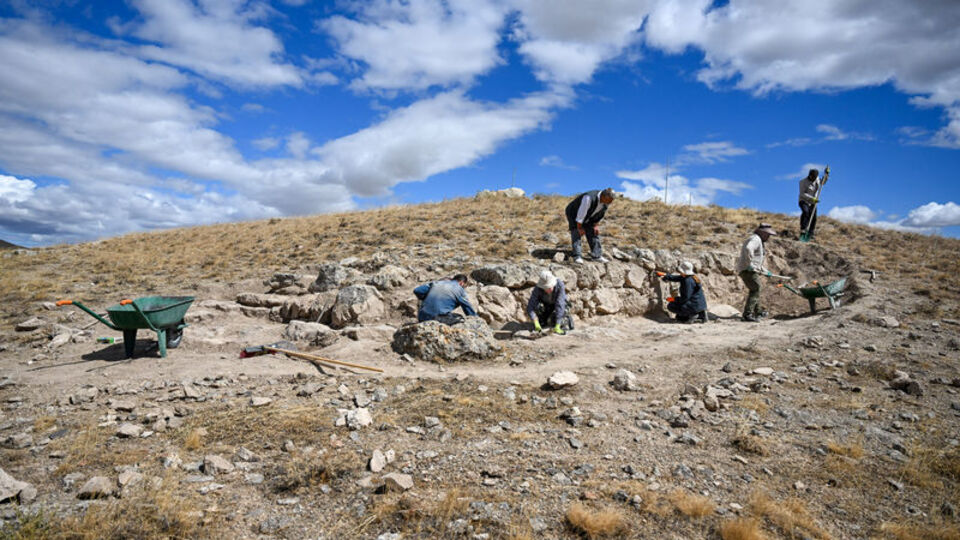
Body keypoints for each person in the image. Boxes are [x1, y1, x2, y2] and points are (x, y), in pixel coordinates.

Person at [736, 223, 778, 322]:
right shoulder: (756, 239)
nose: (768, 237)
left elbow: (756, 261)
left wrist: (765, 271)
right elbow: (748, 249)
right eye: (767, 234)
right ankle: (747, 314)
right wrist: (749, 264)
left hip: (749, 269)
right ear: (762, 232)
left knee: (756, 289)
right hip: (747, 270)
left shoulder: (758, 240)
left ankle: (758, 312)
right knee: (756, 289)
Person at [565, 187, 615, 264]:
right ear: (604, 196)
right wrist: (580, 228)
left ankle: (597, 256)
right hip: (574, 213)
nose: (610, 202)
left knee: (593, 232)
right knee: (576, 232)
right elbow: (581, 215)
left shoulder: (606, 203)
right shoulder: (588, 198)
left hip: (589, 216)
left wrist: (595, 226)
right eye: (609, 200)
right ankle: (577, 256)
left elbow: (599, 215)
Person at [413, 274, 477, 323]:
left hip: (422, 316)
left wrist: (426, 299)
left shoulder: (436, 283)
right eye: (464, 286)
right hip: (437, 319)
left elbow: (417, 290)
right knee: (460, 318)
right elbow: (468, 309)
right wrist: (476, 320)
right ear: (461, 283)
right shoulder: (460, 289)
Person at [799, 167, 829, 239]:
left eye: (815, 177)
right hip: (803, 200)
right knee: (806, 212)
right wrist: (812, 198)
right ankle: (803, 229)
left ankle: (811, 233)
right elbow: (802, 194)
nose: (813, 178)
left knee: (814, 217)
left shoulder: (817, 179)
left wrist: (827, 174)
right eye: (812, 177)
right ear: (809, 175)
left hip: (813, 202)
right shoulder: (802, 182)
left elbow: (823, 182)